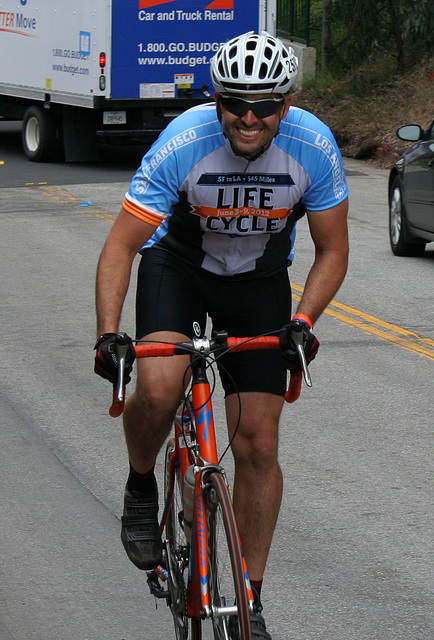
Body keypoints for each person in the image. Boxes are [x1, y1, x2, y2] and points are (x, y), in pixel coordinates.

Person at [94, 31, 349, 640]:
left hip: (258, 278)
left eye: (265, 105)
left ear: (286, 106)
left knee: (259, 443)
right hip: (179, 265)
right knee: (157, 385)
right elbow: (121, 247)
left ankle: (250, 600)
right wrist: (108, 335)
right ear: (216, 100)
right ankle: (139, 484)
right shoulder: (184, 142)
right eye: (236, 102)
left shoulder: (312, 145)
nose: (250, 118)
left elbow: (333, 250)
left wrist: (304, 322)